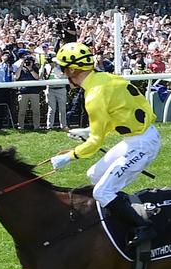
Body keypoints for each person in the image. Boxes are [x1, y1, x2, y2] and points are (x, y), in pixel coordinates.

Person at [46, 42, 156, 247]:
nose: (61, 74)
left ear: (72, 69)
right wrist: (88, 131)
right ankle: (122, 209)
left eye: (62, 69)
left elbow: (95, 144)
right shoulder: (103, 78)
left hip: (143, 144)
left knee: (101, 192)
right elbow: (117, 115)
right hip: (137, 138)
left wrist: (68, 157)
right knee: (94, 175)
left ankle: (144, 226)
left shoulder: (94, 95)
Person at [13, 54, 41, 130]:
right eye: (27, 61)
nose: (28, 63)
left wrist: (30, 68)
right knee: (21, 111)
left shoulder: (35, 68)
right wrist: (21, 66)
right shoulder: (20, 69)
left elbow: (37, 77)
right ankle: (20, 126)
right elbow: (16, 77)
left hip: (34, 92)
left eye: (30, 61)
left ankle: (37, 126)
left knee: (36, 111)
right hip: (23, 92)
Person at [41, 54, 68, 130]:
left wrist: (56, 66)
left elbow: (63, 76)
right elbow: (41, 76)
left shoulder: (61, 67)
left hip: (61, 89)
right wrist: (43, 65)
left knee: (62, 109)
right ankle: (49, 126)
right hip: (50, 89)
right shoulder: (46, 67)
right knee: (51, 109)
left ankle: (63, 125)